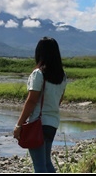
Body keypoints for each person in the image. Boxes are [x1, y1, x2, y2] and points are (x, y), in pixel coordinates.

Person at [12, 37, 67, 173]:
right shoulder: (62, 75)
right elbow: (59, 100)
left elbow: (31, 101)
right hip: (52, 123)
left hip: (38, 123)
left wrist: (19, 125)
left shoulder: (38, 74)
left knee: (39, 166)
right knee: (46, 163)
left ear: (40, 53)